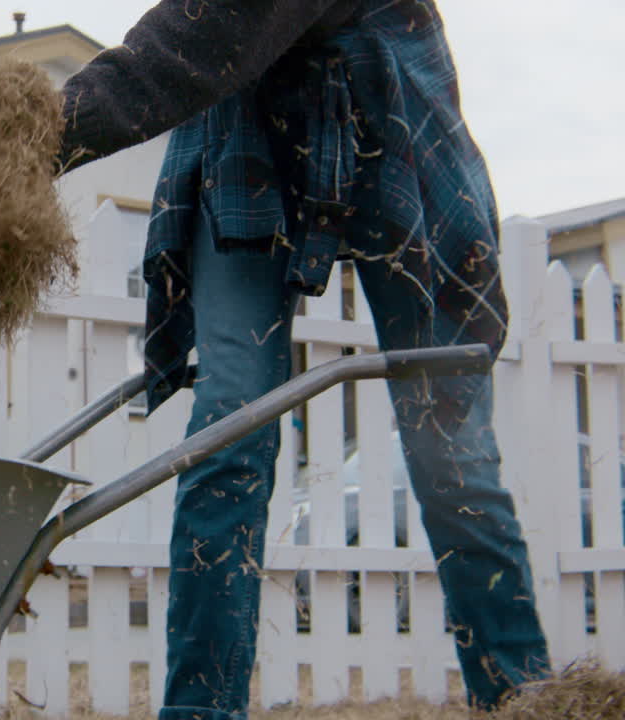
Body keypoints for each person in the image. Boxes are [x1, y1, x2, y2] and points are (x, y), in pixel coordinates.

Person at [53, 1, 551, 717]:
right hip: (244, 126)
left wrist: (31, 131)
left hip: (388, 104)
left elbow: (190, 40)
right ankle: (202, 709)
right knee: (231, 420)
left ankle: (523, 697)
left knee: (452, 446)